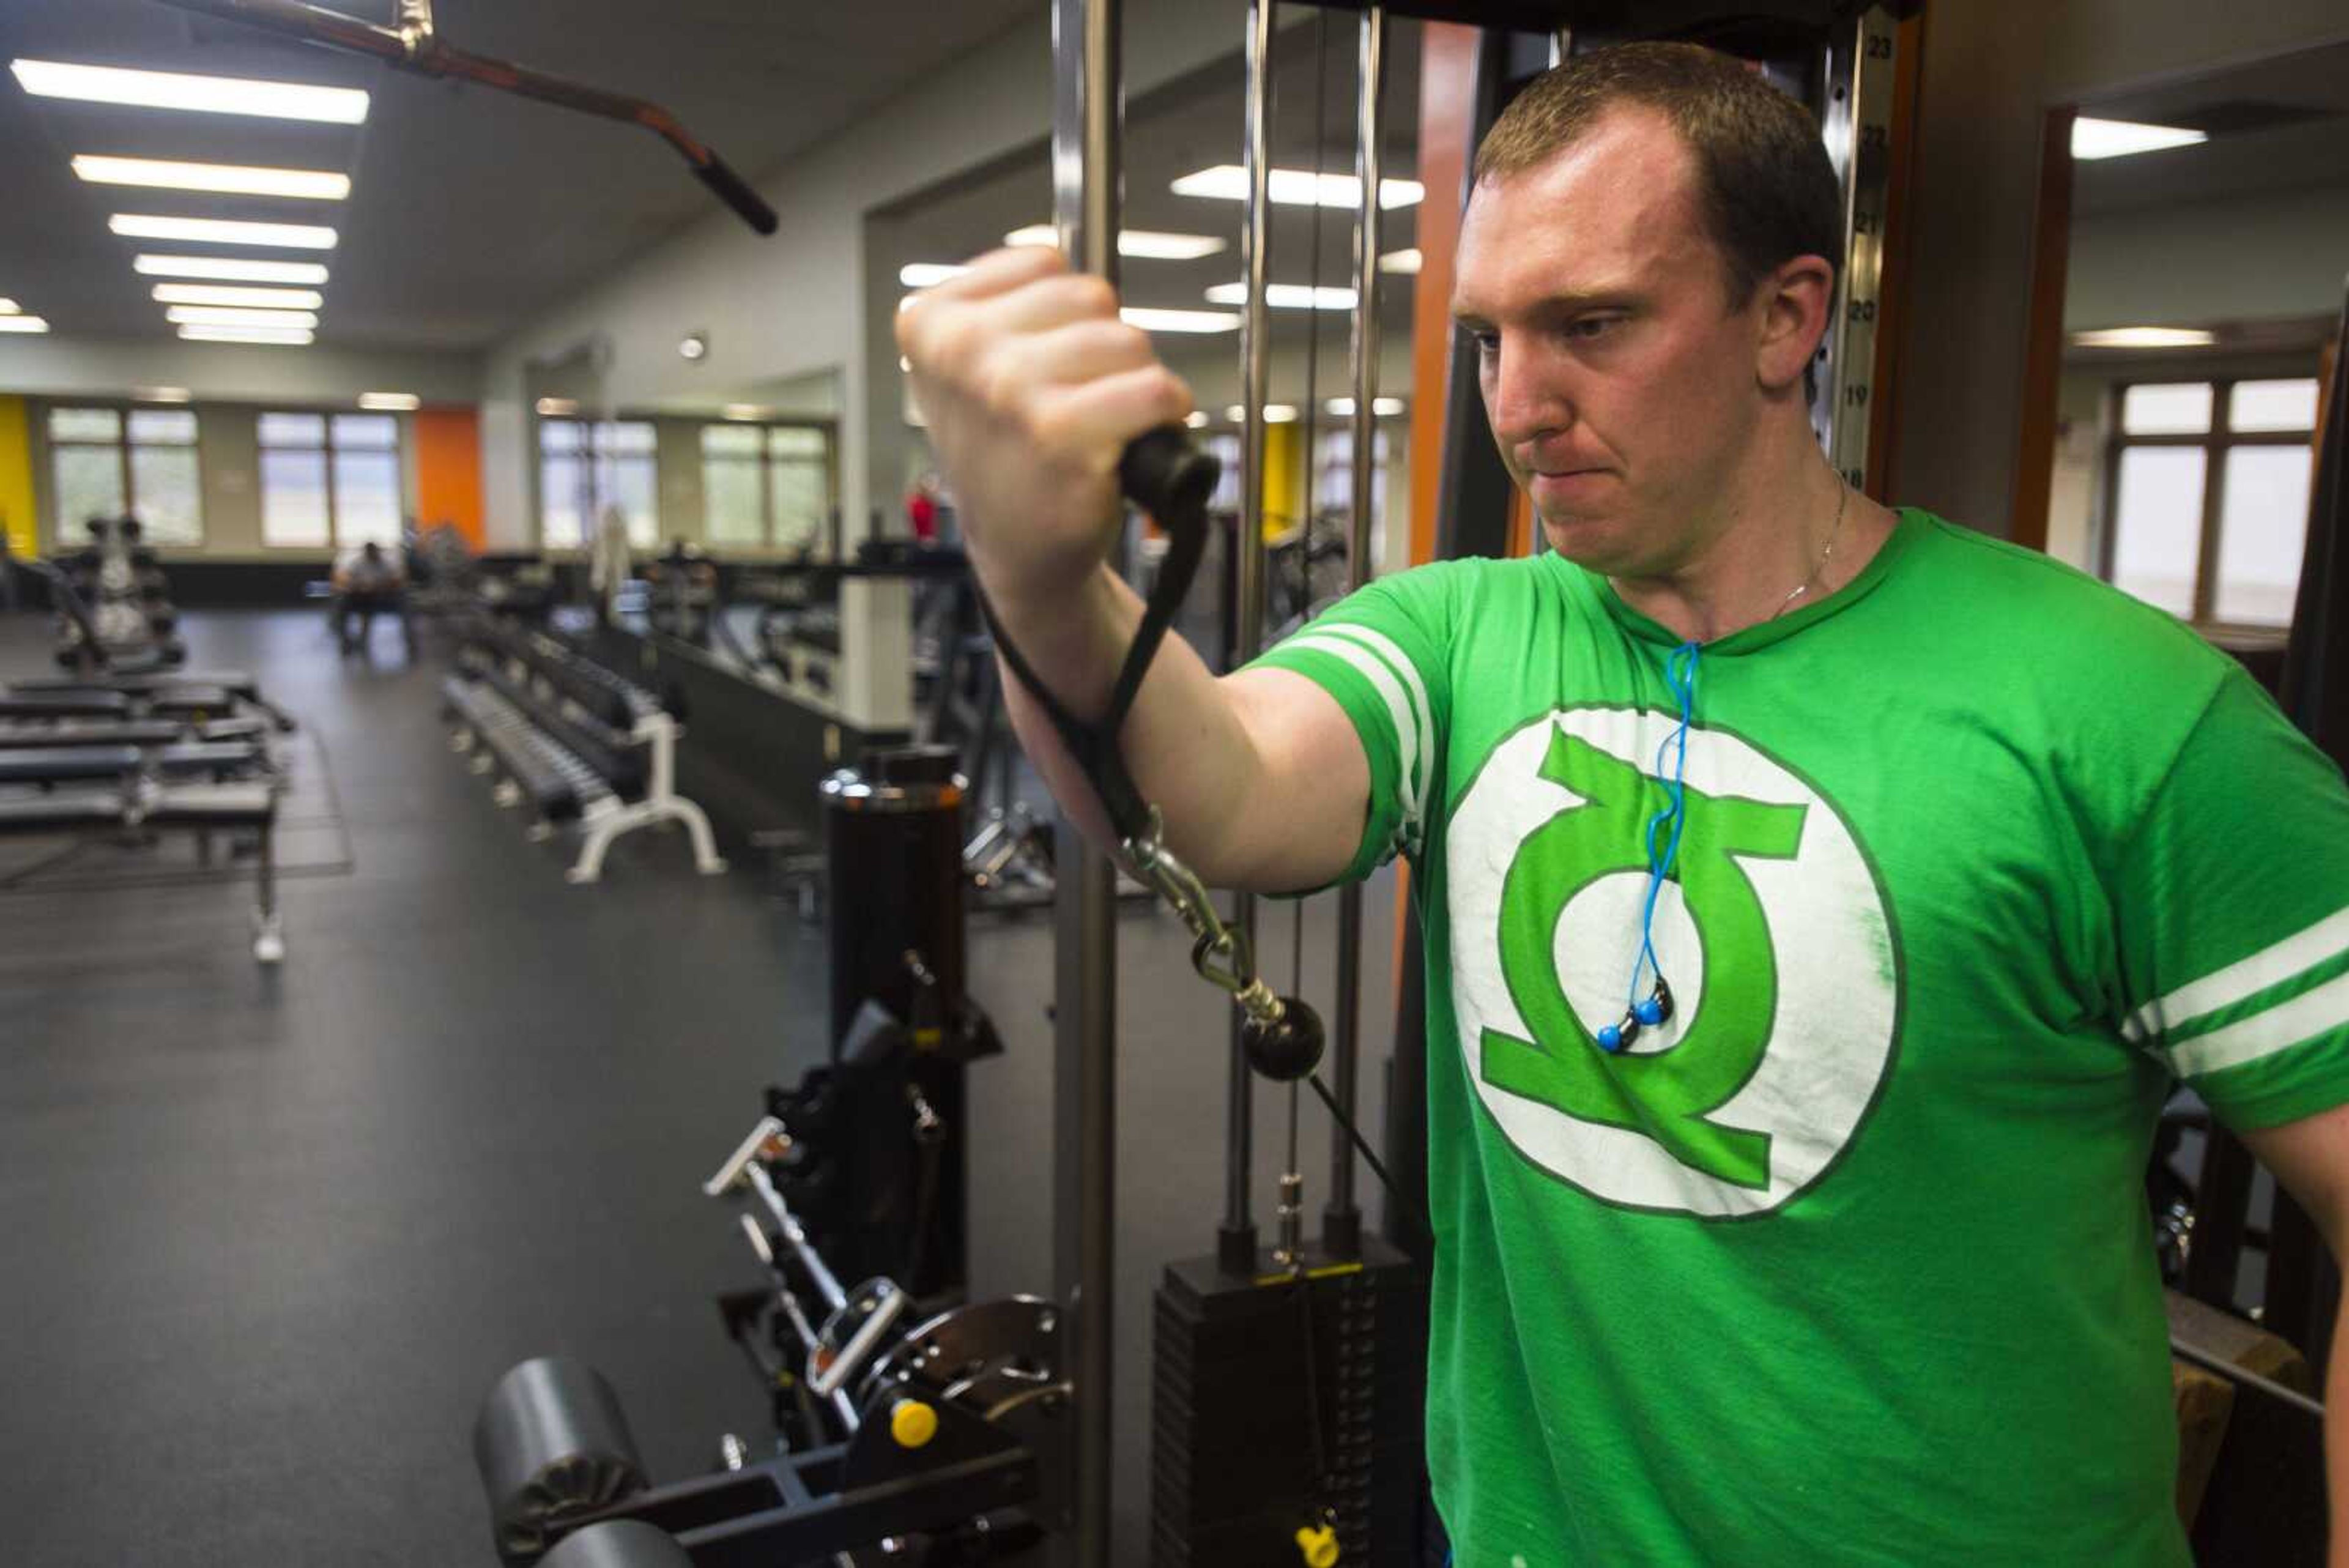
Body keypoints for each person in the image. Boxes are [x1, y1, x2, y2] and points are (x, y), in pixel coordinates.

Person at [900, 42, 2349, 1566]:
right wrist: (1041, 579)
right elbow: (1229, 793)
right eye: (1488, 338)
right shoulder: (1459, 635)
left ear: (1786, 316)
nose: (1518, 405)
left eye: (1590, 324)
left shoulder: (2116, 714)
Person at [330, 538, 415, 656]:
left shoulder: (386, 564)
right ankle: (347, 640)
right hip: (361, 597)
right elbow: (346, 581)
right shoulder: (357, 564)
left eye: (374, 552)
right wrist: (359, 586)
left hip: (382, 597)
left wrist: (380, 586)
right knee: (340, 602)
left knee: (404, 600)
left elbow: (396, 581)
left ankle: (410, 640)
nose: (372, 555)